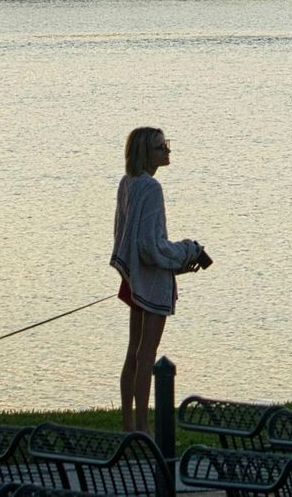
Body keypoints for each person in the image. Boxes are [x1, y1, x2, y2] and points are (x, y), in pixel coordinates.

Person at [111, 126, 209, 433]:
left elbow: (130, 238)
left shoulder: (128, 183)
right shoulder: (151, 189)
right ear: (144, 153)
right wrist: (187, 252)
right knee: (146, 354)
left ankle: (129, 423)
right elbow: (151, 246)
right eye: (159, 147)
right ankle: (142, 426)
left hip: (132, 277)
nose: (167, 150)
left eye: (166, 144)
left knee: (133, 352)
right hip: (149, 281)